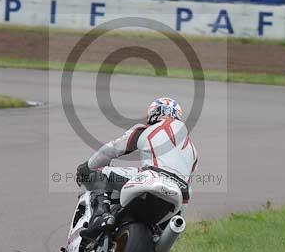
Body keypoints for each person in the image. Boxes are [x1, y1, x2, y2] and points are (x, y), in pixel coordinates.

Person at [75, 97, 198, 240]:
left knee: (99, 173)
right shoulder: (193, 149)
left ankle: (101, 216)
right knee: (161, 237)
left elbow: (111, 149)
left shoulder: (147, 130)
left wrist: (87, 167)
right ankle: (157, 245)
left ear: (153, 113)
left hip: (154, 176)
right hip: (180, 193)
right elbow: (188, 186)